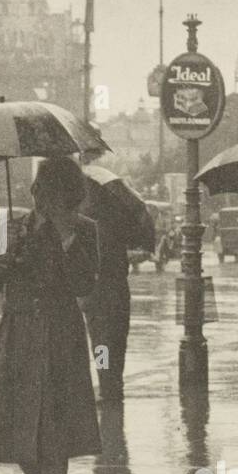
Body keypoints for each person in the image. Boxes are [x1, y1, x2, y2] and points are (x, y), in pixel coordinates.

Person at [0, 156, 100, 474]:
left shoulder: (85, 232)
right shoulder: (14, 228)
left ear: (65, 193)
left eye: (46, 188)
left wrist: (67, 242)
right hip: (18, 337)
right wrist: (5, 254)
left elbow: (85, 285)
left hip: (61, 339)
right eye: (36, 188)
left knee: (54, 434)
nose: (36, 195)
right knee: (15, 434)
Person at [80, 158, 156, 403]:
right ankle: (114, 383)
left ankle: (106, 382)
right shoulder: (120, 215)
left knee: (101, 342)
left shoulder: (90, 222)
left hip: (97, 287)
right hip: (117, 286)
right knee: (116, 338)